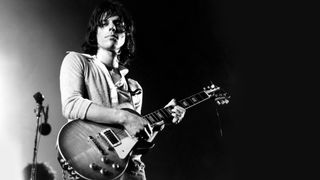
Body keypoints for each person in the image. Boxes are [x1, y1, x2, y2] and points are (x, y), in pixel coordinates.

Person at [59, 0, 186, 179]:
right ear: (95, 32)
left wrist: (158, 125)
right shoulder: (78, 61)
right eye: (104, 24)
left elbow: (134, 145)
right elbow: (72, 105)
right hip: (90, 164)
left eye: (118, 24)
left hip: (130, 171)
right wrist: (125, 117)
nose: (112, 28)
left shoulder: (135, 88)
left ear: (126, 35)